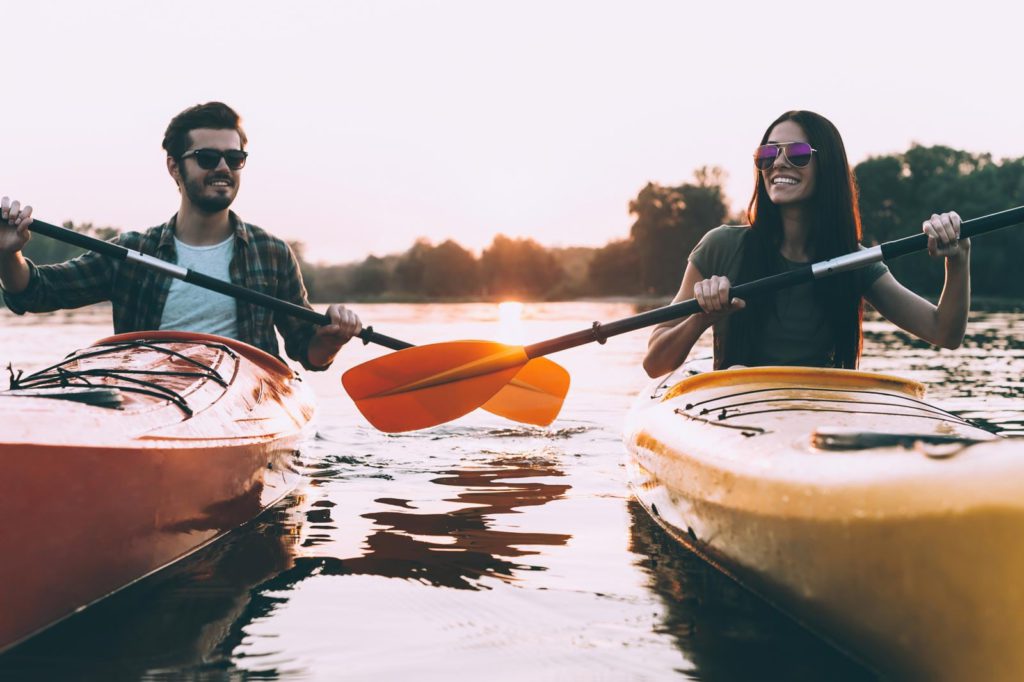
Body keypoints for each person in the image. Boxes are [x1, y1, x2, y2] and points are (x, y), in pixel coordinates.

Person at [1, 102, 361, 370]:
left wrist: (330, 340)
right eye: (206, 157)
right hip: (150, 395)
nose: (222, 168)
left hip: (246, 401)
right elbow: (37, 291)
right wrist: (7, 255)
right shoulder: (133, 251)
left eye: (234, 158)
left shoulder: (271, 252)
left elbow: (308, 353)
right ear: (174, 166)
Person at [643, 110, 970, 377]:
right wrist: (702, 317)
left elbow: (944, 332)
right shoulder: (721, 245)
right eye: (768, 153)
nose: (779, 163)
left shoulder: (854, 262)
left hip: (816, 411)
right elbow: (655, 364)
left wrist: (957, 259)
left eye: (797, 153)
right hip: (738, 409)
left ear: (826, 167)